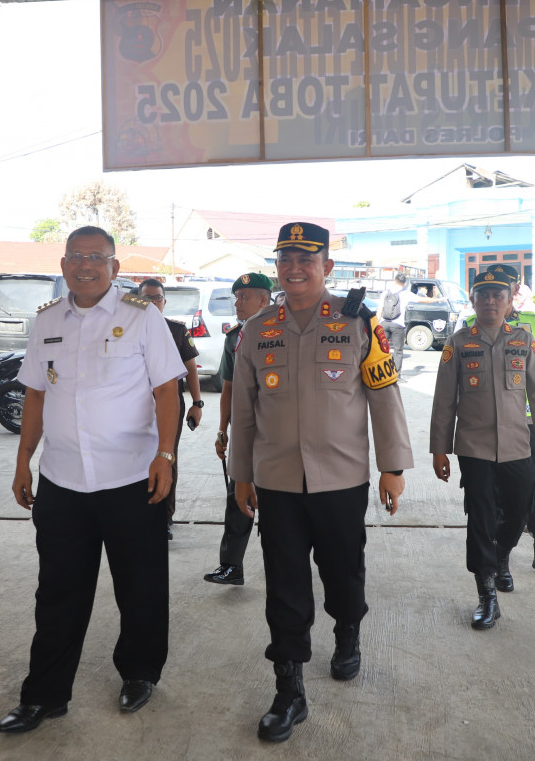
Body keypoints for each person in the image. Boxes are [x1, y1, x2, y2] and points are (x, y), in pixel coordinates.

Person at [0, 226, 185, 735]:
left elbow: (167, 390)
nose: (85, 265)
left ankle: (140, 672)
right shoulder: (47, 321)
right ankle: (44, 696)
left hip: (131, 478)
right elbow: (36, 394)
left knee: (140, 586)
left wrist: (165, 454)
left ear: (114, 267)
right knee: (57, 593)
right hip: (62, 481)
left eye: (96, 257)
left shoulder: (142, 317)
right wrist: (23, 460)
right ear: (63, 265)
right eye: (76, 256)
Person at [229, 222, 412, 743]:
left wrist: (393, 467)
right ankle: (289, 689)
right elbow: (243, 410)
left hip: (341, 478)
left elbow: (384, 395)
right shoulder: (257, 329)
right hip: (278, 481)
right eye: (285, 259)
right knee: (284, 584)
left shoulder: (359, 322)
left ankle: (348, 629)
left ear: (326, 266)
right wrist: (241, 475)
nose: (294, 268)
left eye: (306, 259)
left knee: (343, 570)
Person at [430, 264, 535, 631]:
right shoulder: (458, 343)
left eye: (498, 296)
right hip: (473, 447)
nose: (490, 301)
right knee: (480, 518)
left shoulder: (524, 340)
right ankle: (486, 593)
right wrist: (440, 449)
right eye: (483, 295)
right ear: (473, 301)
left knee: (519, 512)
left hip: (519, 445)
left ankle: (502, 556)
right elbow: (444, 401)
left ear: (508, 302)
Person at [462, 272, 535, 577]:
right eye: (487, 292)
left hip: (530, 421)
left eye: (503, 290)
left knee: (532, 484)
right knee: (490, 494)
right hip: (488, 426)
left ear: (514, 291)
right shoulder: (469, 326)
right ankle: (499, 560)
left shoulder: (532, 322)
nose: (494, 299)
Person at [207, 271, 273, 586]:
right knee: (237, 498)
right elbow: (229, 388)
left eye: (244, 297)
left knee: (280, 503)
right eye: (236, 297)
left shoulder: (286, 331)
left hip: (279, 435)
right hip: (246, 435)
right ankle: (231, 566)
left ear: (264, 300)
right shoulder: (234, 337)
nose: (237, 303)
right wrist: (223, 430)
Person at [138, 278, 204, 539]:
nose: (152, 303)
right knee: (137, 458)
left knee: (166, 456)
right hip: (135, 405)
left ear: (164, 301)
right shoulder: (126, 330)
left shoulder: (176, 330)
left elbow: (190, 369)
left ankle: (163, 517)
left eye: (157, 298)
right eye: (146, 298)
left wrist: (197, 404)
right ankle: (139, 513)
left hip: (169, 404)